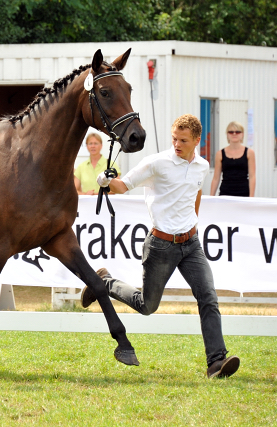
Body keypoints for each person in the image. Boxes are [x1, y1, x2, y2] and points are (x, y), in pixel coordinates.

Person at [84, 114, 240, 379]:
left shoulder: (202, 166)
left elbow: (197, 193)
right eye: (174, 139)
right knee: (147, 306)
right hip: (161, 246)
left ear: (197, 141)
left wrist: (193, 223)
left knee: (209, 298)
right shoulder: (156, 163)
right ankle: (105, 282)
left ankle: (216, 363)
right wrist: (106, 181)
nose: (177, 144)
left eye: (183, 140)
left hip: (191, 244)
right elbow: (123, 186)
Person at [210, 121, 256, 197]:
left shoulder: (249, 153)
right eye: (231, 132)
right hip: (225, 194)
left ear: (242, 134)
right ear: (227, 135)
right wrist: (211, 197)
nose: (234, 134)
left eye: (237, 132)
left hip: (244, 194)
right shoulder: (220, 154)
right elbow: (216, 178)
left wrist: (251, 197)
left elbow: (252, 176)